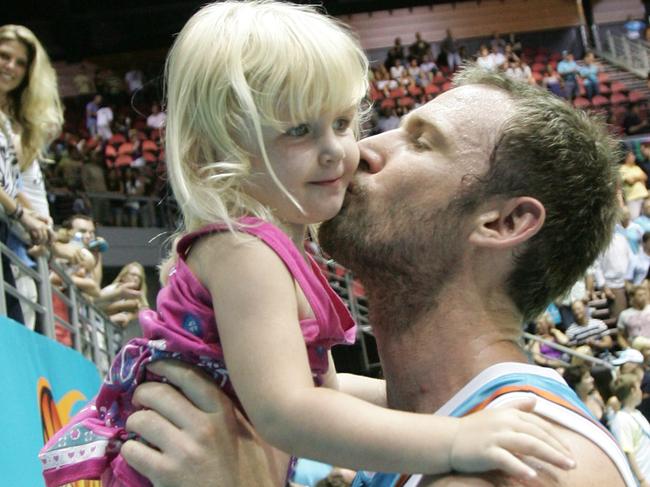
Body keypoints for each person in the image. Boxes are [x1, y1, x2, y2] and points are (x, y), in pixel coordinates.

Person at [39, 5, 573, 487]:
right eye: (298, 130)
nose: (337, 151)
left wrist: (461, 402)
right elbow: (290, 413)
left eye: (341, 122)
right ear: (219, 148)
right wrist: (456, 438)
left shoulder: (274, 247)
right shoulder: (245, 251)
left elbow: (325, 386)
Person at [119, 68, 636, 486]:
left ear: (503, 223)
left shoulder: (529, 463)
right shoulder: (415, 423)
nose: (362, 150)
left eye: (421, 141)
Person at [0, 25, 58, 323]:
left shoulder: (7, 124)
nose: (11, 67)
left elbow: (9, 182)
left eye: (20, 62)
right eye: (4, 56)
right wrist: (24, 216)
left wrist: (35, 217)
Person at [610, 373, 650, 486]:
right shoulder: (621, 419)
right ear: (633, 390)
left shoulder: (637, 413)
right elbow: (628, 451)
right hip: (639, 480)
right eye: (639, 387)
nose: (641, 391)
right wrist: (642, 480)